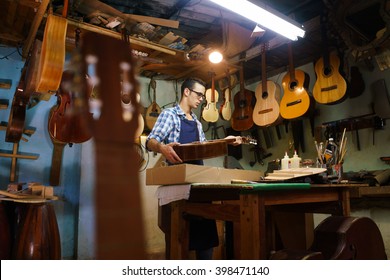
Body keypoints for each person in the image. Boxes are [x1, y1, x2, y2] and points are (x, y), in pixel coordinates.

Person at [146, 77, 242, 259]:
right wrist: (162, 148)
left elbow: (204, 148)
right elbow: (151, 140)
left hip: (198, 183)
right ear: (186, 92)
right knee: (177, 238)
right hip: (178, 184)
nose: (201, 99)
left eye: (202, 97)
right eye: (199, 94)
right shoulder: (169, 115)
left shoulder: (197, 122)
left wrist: (225, 142)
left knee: (206, 239)